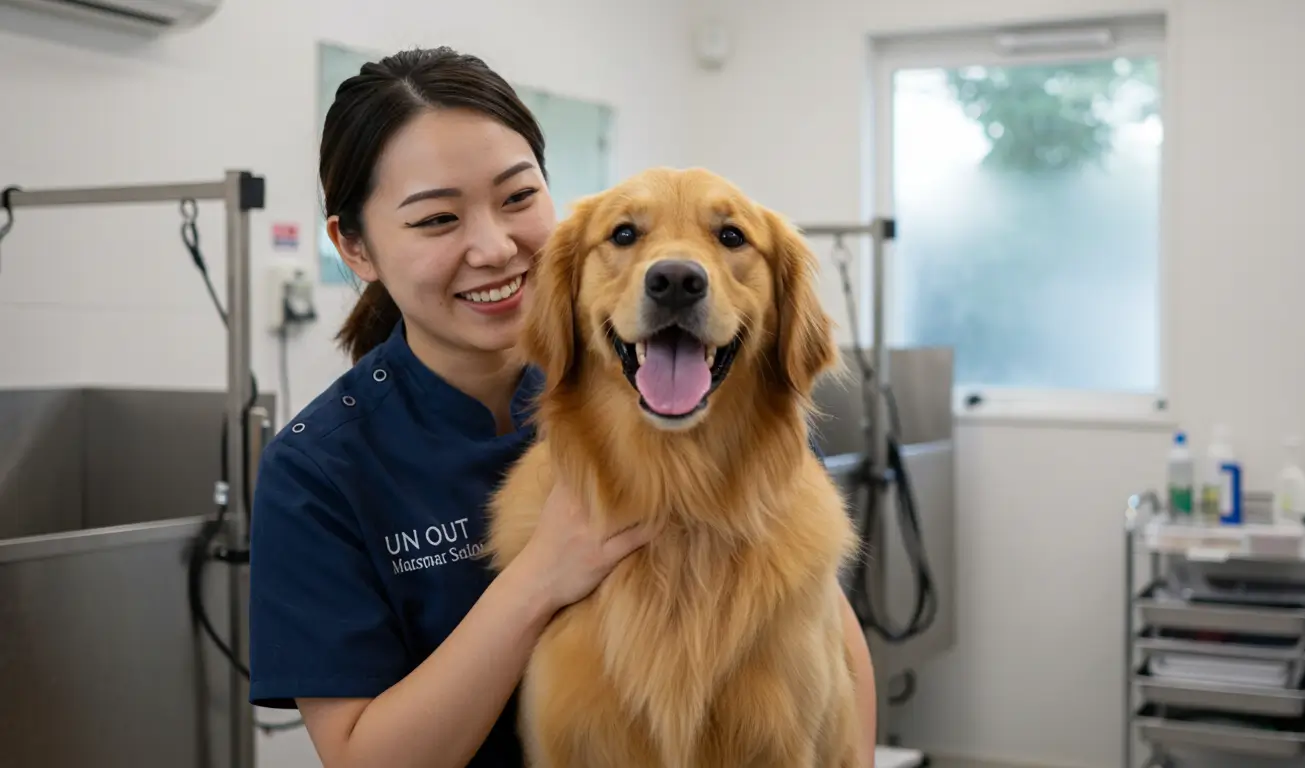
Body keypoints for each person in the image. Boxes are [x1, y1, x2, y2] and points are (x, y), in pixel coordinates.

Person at [247, 46, 876, 768]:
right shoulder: (318, 469)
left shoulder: (722, 401)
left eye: (518, 199)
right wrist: (541, 574)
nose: (493, 247)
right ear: (355, 247)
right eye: (436, 220)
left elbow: (833, 648)